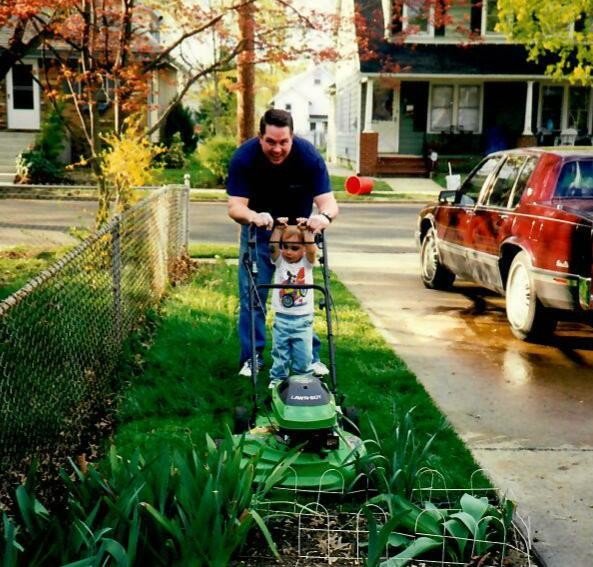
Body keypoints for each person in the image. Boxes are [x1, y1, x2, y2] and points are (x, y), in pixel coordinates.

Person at [226, 108, 338, 377]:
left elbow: (329, 203)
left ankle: (309, 356)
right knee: (253, 297)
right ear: (260, 137)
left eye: (283, 142)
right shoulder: (244, 157)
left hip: (298, 238)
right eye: (271, 142)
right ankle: (253, 357)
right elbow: (235, 207)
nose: (277, 149)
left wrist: (322, 217)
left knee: (302, 296)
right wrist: (255, 216)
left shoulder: (308, 157)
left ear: (292, 137)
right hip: (259, 234)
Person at [268, 219, 316, 387]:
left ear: (303, 249)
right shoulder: (280, 262)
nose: (289, 252)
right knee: (280, 352)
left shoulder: (307, 263)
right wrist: (278, 229)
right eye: (286, 246)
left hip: (303, 319)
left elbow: (312, 249)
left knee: (304, 354)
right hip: (282, 317)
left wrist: (307, 232)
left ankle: (304, 377)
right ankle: (278, 379)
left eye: (295, 248)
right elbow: (273, 247)